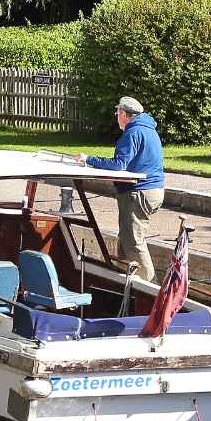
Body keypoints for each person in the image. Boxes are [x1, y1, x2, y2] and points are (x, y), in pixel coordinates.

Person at [78, 96, 163, 282]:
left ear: (124, 114)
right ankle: (124, 280)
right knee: (125, 239)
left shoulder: (133, 132)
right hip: (154, 190)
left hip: (138, 192)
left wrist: (88, 159)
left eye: (117, 113)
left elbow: (118, 165)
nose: (116, 116)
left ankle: (151, 289)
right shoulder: (149, 130)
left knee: (134, 241)